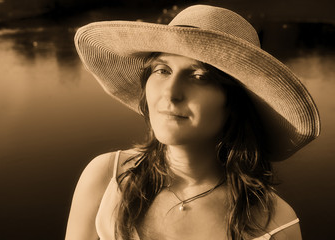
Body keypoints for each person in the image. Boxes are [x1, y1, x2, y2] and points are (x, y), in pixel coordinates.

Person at [65, 5, 320, 240]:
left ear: (235, 103)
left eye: (199, 76)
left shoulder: (274, 224)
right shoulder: (106, 177)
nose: (171, 93)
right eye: (162, 70)